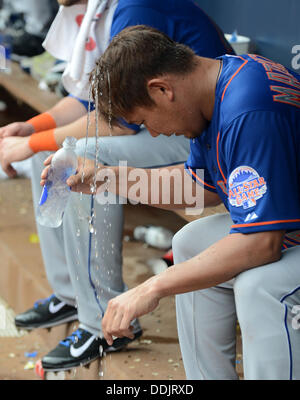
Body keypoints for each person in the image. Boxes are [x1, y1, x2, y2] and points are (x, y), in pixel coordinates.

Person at [0, 1, 234, 372]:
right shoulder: (102, 9)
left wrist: (32, 143)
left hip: (195, 129)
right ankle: (72, 294)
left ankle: (101, 320)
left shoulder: (133, 6)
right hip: (172, 123)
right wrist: (33, 129)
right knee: (49, 150)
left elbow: (117, 120)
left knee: (81, 154)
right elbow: (90, 101)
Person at [60, 25, 300, 380]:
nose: (153, 132)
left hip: (284, 232)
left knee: (262, 286)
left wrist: (151, 288)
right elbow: (201, 187)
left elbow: (262, 243)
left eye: (145, 120)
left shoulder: (247, 107)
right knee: (190, 241)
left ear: (161, 89)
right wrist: (104, 178)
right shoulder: (213, 87)